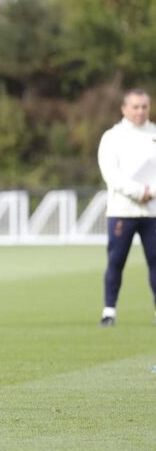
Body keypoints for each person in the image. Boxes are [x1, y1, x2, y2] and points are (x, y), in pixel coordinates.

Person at [96, 88, 156, 327]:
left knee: (155, 261)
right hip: (123, 210)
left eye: (144, 107)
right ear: (124, 109)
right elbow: (111, 174)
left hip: (153, 210)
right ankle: (109, 311)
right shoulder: (112, 137)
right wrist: (138, 192)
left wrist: (151, 192)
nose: (140, 111)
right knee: (116, 261)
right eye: (135, 107)